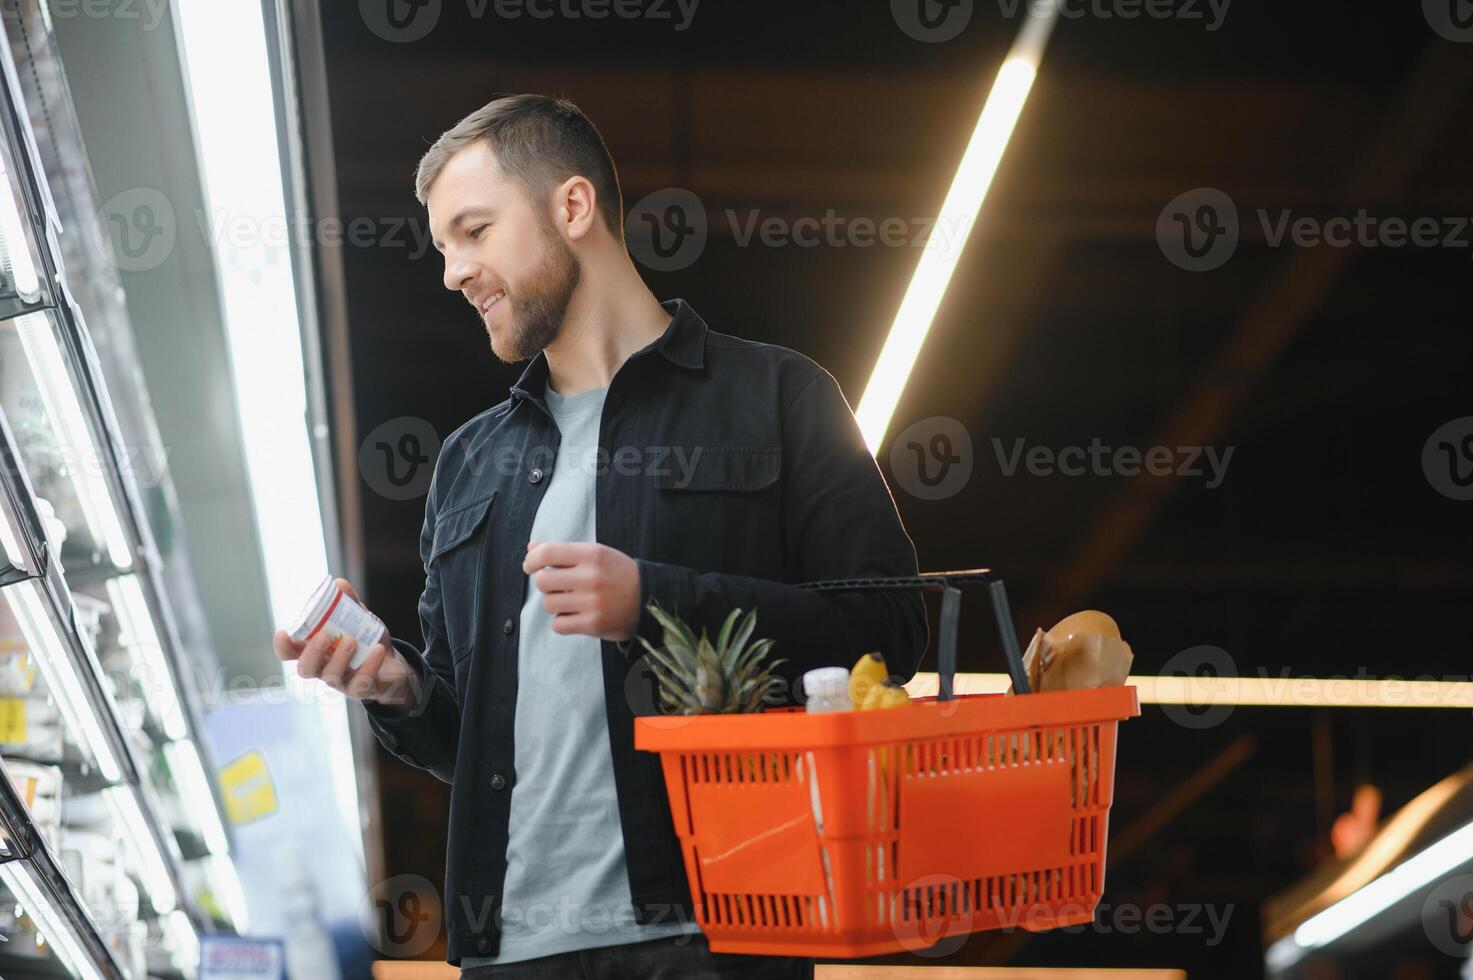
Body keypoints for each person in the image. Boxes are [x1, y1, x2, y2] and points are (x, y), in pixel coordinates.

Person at [273, 93, 927, 978]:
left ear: (571, 208)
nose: (452, 272)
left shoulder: (777, 398)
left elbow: (886, 631)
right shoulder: (470, 466)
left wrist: (656, 602)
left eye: (473, 230)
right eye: (443, 247)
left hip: (717, 935)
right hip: (512, 951)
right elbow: (464, 737)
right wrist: (395, 687)